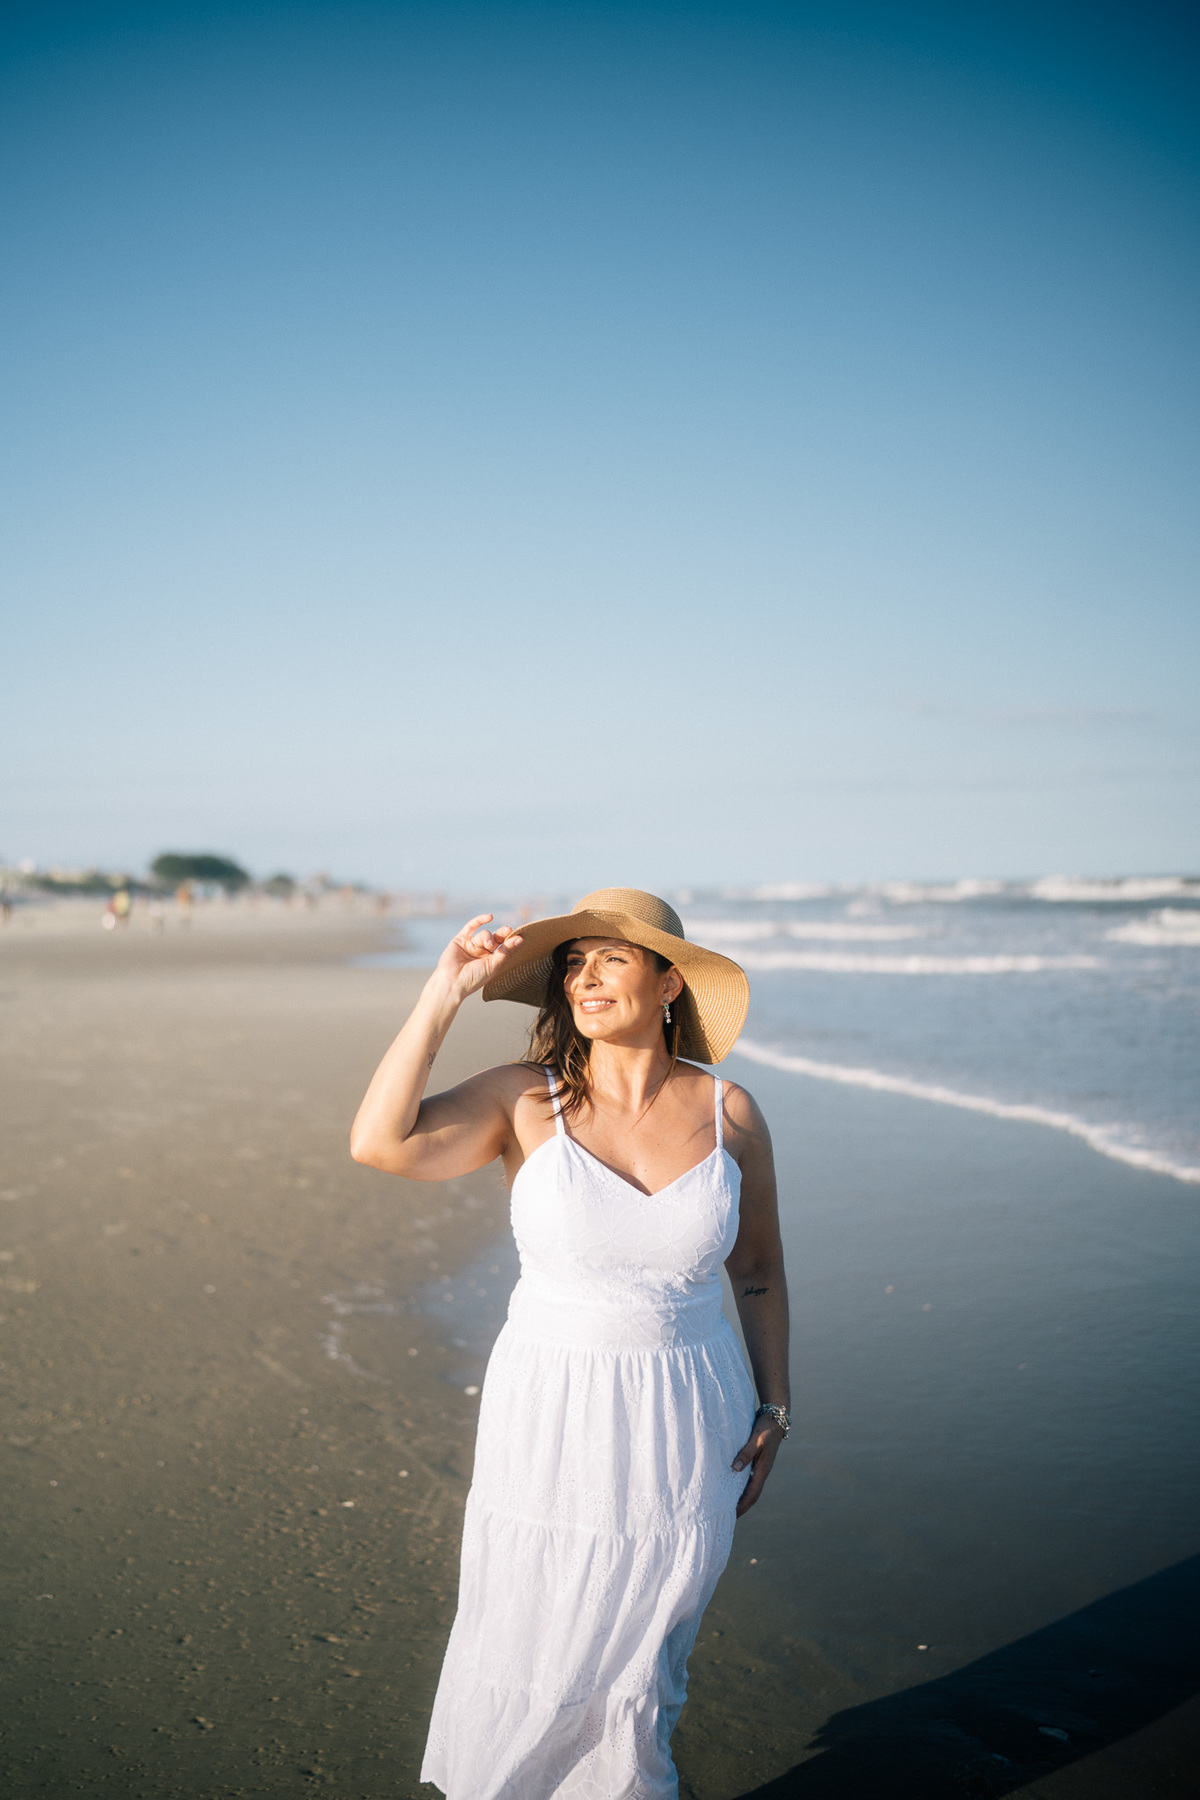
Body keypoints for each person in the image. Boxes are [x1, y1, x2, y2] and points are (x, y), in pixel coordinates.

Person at [351, 889, 790, 1800]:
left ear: (669, 981)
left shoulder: (729, 1115)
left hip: (689, 1410)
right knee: (537, 1631)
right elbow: (379, 1143)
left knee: (644, 1649)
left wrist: (774, 1404)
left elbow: (758, 1268)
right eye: (573, 964)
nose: (584, 979)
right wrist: (442, 993)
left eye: (611, 960)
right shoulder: (526, 1096)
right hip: (553, 1410)